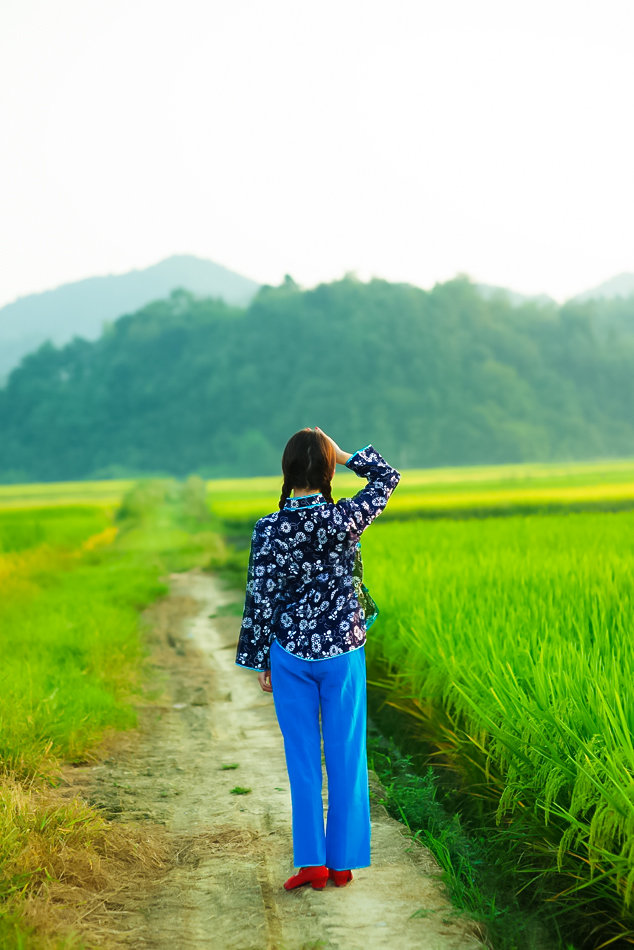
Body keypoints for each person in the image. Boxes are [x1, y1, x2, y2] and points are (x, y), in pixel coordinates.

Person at [235, 426, 401, 891]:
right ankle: (342, 862)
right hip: (343, 653)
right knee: (347, 756)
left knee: (302, 759)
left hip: (288, 654)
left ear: (287, 470)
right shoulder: (343, 518)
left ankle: (311, 864)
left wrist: (261, 658)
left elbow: (260, 596)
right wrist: (344, 453)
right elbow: (387, 478)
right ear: (327, 469)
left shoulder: (268, 528)